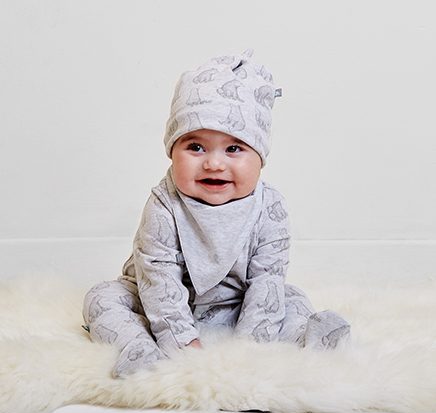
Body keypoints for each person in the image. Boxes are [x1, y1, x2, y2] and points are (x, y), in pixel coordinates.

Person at [82, 49, 350, 378]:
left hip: (236, 305)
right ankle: (138, 350)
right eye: (195, 147)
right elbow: (158, 279)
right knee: (102, 297)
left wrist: (249, 352)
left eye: (234, 148)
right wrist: (182, 342)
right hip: (160, 302)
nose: (213, 163)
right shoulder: (163, 204)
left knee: (287, 297)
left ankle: (309, 341)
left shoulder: (270, 208)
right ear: (172, 151)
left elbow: (266, 278)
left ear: (260, 156)